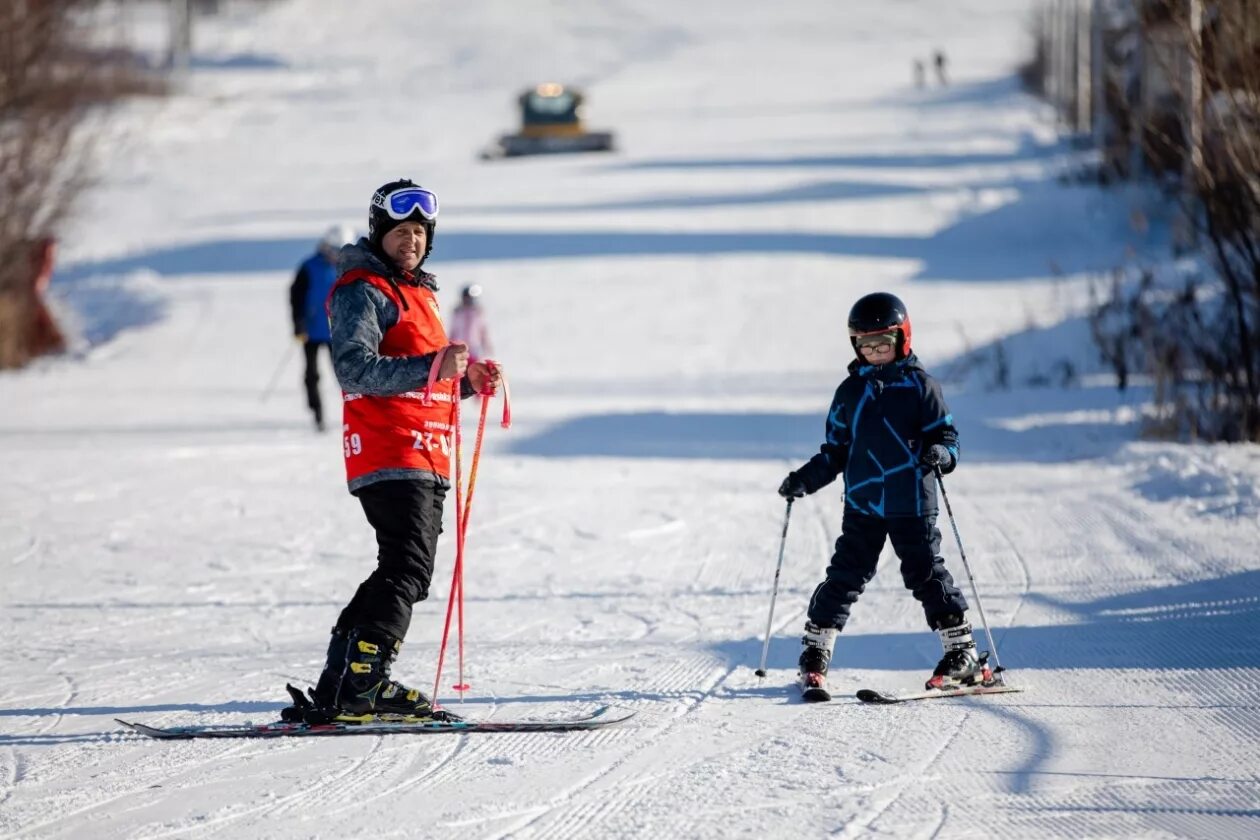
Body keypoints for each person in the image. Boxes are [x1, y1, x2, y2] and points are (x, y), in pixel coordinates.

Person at [299, 179, 502, 723]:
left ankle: (342, 683)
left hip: (423, 451)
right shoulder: (362, 290)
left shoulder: (418, 293)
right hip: (391, 448)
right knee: (407, 569)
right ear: (378, 233)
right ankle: (364, 686)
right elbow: (353, 368)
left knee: (400, 568)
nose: (410, 240)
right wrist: (435, 367)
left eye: (419, 232)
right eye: (399, 231)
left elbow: (424, 377)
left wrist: (466, 382)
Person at [777, 292, 981, 696]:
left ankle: (962, 652)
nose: (874, 353)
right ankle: (815, 652)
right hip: (864, 506)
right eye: (865, 345)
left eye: (882, 344)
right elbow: (834, 452)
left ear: (901, 340)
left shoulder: (922, 387)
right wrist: (804, 479)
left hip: (912, 503)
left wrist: (942, 453)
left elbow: (947, 436)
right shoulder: (849, 394)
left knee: (926, 574)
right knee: (845, 576)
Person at [289, 225, 353, 431]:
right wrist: (298, 324)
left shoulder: (350, 268)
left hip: (338, 332)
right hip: (312, 330)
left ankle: (355, 413)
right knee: (312, 374)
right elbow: (296, 298)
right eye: (334, 249)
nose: (336, 255)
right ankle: (317, 414)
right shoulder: (308, 267)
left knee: (345, 374)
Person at [448, 284, 492, 361]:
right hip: (460, 346)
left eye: (470, 299)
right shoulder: (458, 312)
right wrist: (449, 344)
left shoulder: (478, 313)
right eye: (466, 299)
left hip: (474, 347)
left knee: (474, 367)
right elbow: (453, 330)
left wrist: (486, 344)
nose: (468, 301)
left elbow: (482, 330)